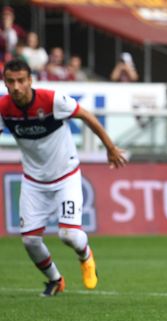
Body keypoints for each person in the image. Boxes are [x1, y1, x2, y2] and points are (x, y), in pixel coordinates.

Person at [0, 59, 128, 296]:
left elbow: (86, 116)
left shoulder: (52, 100)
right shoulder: (4, 108)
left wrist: (110, 148)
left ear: (30, 81)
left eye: (21, 81)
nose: (16, 86)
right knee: (29, 241)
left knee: (68, 234)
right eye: (10, 81)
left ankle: (85, 255)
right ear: (5, 83)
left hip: (65, 176)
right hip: (33, 181)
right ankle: (56, 280)